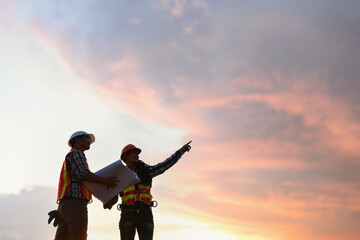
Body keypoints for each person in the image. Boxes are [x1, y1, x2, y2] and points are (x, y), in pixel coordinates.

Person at [103, 141, 192, 240]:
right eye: (133, 153)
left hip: (145, 213)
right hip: (127, 213)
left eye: (137, 153)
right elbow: (115, 195)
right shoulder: (120, 176)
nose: (136, 155)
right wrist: (109, 202)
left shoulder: (147, 171)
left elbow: (164, 165)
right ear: (125, 157)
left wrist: (180, 152)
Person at [53, 131, 119, 240]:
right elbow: (84, 174)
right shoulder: (77, 153)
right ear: (77, 140)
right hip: (75, 204)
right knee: (78, 236)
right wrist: (106, 182)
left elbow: (81, 181)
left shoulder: (71, 155)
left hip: (65, 205)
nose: (89, 141)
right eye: (86, 138)